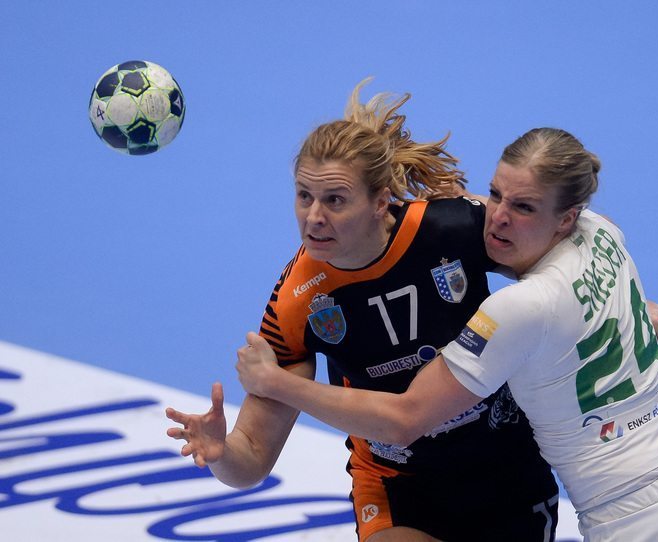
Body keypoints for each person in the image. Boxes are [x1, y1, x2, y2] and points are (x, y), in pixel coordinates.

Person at [236, 127, 658, 541]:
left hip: (641, 517)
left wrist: (276, 383)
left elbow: (405, 418)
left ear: (565, 218)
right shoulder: (605, 235)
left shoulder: (517, 309)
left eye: (522, 207)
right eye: (496, 195)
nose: (495, 217)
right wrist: (637, 307)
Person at [166, 80, 561, 542]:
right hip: (398, 488)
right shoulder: (296, 300)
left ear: (380, 202)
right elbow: (251, 459)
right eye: (304, 196)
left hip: (506, 470)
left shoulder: (452, 228)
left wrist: (618, 303)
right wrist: (220, 453)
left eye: (334, 200)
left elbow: (563, 249)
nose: (314, 217)